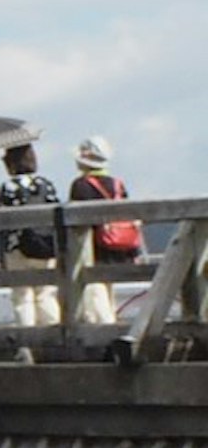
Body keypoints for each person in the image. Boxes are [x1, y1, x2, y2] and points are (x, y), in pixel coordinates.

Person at [0, 141, 64, 326]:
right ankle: (53, 336)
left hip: (18, 248)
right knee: (46, 293)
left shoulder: (8, 187)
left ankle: (27, 343)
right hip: (46, 246)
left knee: (22, 296)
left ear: (11, 163)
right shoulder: (46, 184)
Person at [71, 138, 139, 325]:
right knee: (108, 292)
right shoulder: (117, 184)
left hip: (93, 248)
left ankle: (105, 335)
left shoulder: (81, 185)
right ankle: (112, 327)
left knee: (95, 293)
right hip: (117, 246)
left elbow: (75, 222)